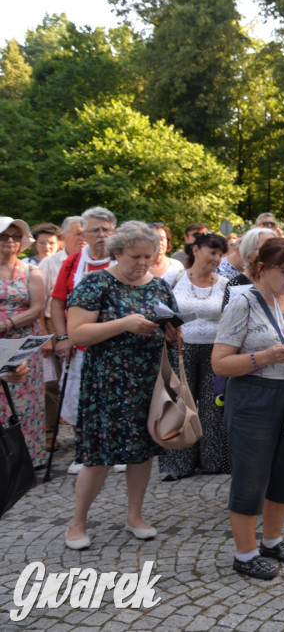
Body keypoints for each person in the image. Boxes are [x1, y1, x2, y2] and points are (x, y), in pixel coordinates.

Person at [212, 237, 284, 580]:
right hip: (254, 397)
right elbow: (220, 363)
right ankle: (244, 554)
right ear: (261, 268)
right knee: (251, 477)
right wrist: (263, 357)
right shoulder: (243, 302)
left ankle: (272, 541)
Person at [63, 221, 181, 550]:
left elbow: (172, 328)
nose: (142, 263)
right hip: (107, 383)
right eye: (135, 257)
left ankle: (135, 516)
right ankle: (78, 521)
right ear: (116, 252)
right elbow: (77, 334)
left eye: (148, 256)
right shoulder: (96, 282)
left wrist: (172, 333)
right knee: (98, 457)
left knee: (141, 453)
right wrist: (124, 324)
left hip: (147, 382)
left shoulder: (159, 286)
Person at [51, 206, 119, 474]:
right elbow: (57, 303)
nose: (101, 235)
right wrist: (63, 336)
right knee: (81, 398)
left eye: (106, 229)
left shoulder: (121, 258)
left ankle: (118, 448)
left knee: (117, 396)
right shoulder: (72, 263)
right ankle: (85, 450)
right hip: (81, 345)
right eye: (95, 230)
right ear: (85, 235)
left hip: (117, 344)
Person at [159, 232, 230, 481]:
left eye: (221, 254)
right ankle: (177, 464)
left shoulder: (225, 284)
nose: (217, 258)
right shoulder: (174, 278)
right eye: (212, 252)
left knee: (213, 407)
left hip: (216, 350)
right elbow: (159, 309)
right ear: (195, 250)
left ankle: (213, 461)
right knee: (180, 404)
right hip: (181, 348)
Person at [0, 216, 45, 466]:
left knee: (27, 403)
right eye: (4, 236)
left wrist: (6, 324)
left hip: (23, 345)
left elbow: (38, 307)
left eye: (15, 237)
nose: (10, 241)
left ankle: (30, 459)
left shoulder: (30, 270)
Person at [39, 216, 81, 450]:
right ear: (64, 236)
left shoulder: (93, 259)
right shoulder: (50, 263)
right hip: (55, 324)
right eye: (78, 233)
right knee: (52, 383)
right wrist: (46, 335)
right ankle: (50, 432)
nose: (83, 238)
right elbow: (44, 301)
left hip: (83, 325)